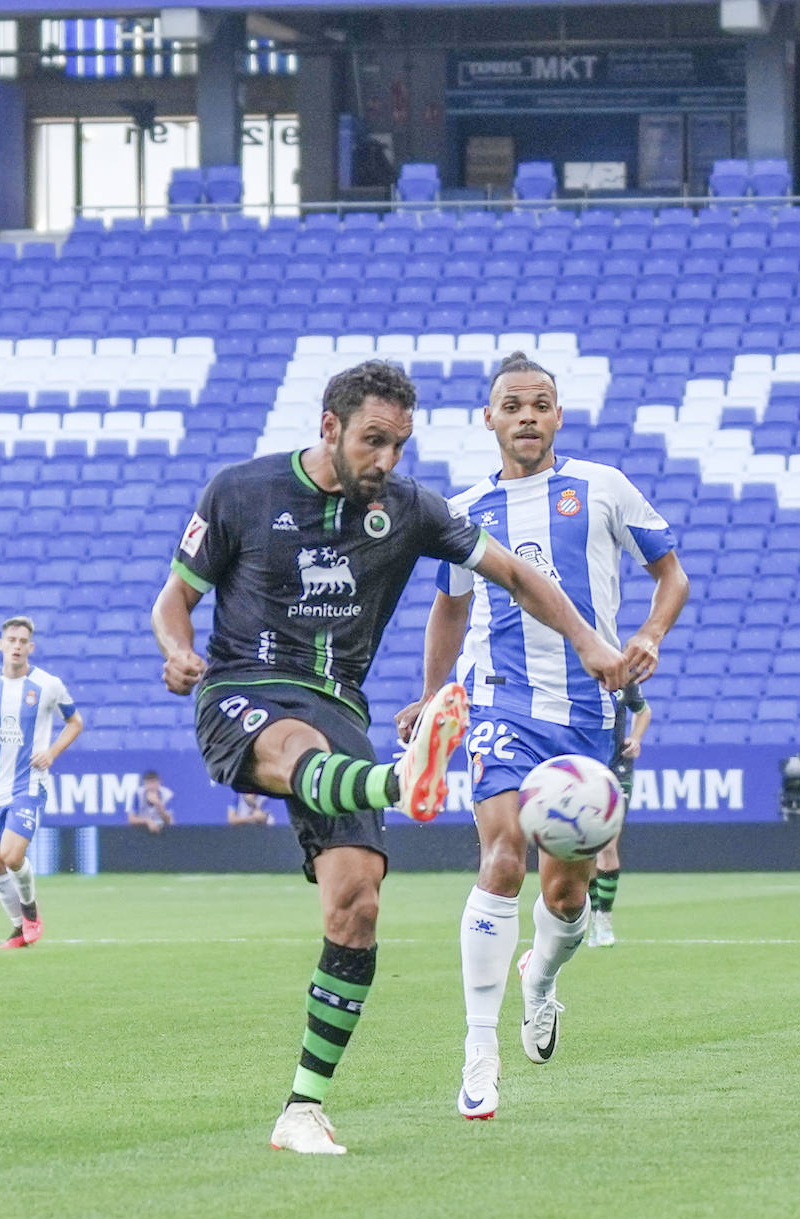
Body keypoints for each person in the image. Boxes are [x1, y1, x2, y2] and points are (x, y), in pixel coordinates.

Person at [151, 359, 633, 1155]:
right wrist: (176, 651)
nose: (385, 462)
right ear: (329, 428)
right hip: (246, 687)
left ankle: (302, 1110)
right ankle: (397, 778)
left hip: (340, 704)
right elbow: (176, 599)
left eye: (399, 446)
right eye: (373, 442)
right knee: (297, 748)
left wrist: (588, 643)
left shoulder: (406, 509)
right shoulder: (240, 490)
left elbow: (512, 573)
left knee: (357, 903)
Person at [397, 351, 688, 1121]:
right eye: (513, 405)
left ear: (558, 416)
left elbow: (672, 575)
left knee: (566, 891)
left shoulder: (602, 487)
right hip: (500, 702)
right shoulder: (462, 512)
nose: (527, 416)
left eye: (541, 404)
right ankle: (477, 1051)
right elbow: (450, 611)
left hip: (589, 710)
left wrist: (650, 636)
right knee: (501, 858)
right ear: (488, 418)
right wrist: (431, 697)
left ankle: (543, 981)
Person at [0, 614, 83, 949]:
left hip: (29, 785)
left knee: (13, 857)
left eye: (22, 641)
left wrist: (52, 752)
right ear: (1, 645)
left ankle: (30, 913)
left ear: (31, 646)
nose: (16, 646)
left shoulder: (47, 685)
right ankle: (18, 928)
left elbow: (75, 722)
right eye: (11, 640)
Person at [586, 681, 652, 948]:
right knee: (586, 848)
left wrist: (635, 738)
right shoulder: (577, 679)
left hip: (618, 770)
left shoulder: (624, 678)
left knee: (608, 844)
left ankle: (604, 918)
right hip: (587, 768)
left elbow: (644, 711)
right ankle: (591, 915)